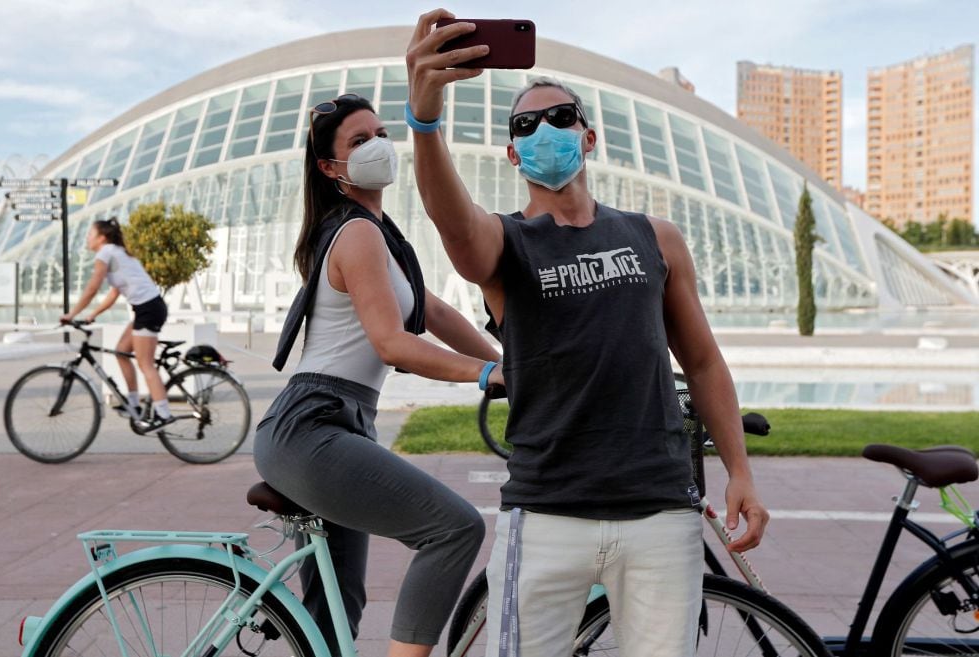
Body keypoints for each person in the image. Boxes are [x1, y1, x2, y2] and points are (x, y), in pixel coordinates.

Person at [405, 11, 770, 657]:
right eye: (526, 125)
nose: (545, 129)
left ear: (589, 136)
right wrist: (426, 121)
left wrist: (739, 468)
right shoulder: (506, 241)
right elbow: (452, 222)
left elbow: (705, 362)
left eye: (561, 117)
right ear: (513, 153)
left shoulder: (656, 236)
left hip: (659, 510)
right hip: (546, 515)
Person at [254, 93, 502, 657]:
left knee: (335, 617)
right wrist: (487, 373)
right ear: (330, 167)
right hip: (312, 427)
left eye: (382, 133)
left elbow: (435, 314)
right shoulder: (357, 234)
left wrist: (511, 363)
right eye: (359, 141)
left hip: (332, 426)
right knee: (454, 529)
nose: (379, 147)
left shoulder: (381, 235)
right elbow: (394, 343)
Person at [60, 218, 174, 431]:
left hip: (149, 309)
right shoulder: (117, 252)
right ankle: (132, 405)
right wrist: (93, 314)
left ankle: (163, 414)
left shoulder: (105, 253)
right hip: (147, 308)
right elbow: (114, 293)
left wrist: (72, 313)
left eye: (90, 234)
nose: (87, 238)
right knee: (121, 352)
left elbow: (93, 287)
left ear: (101, 238)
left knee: (145, 364)